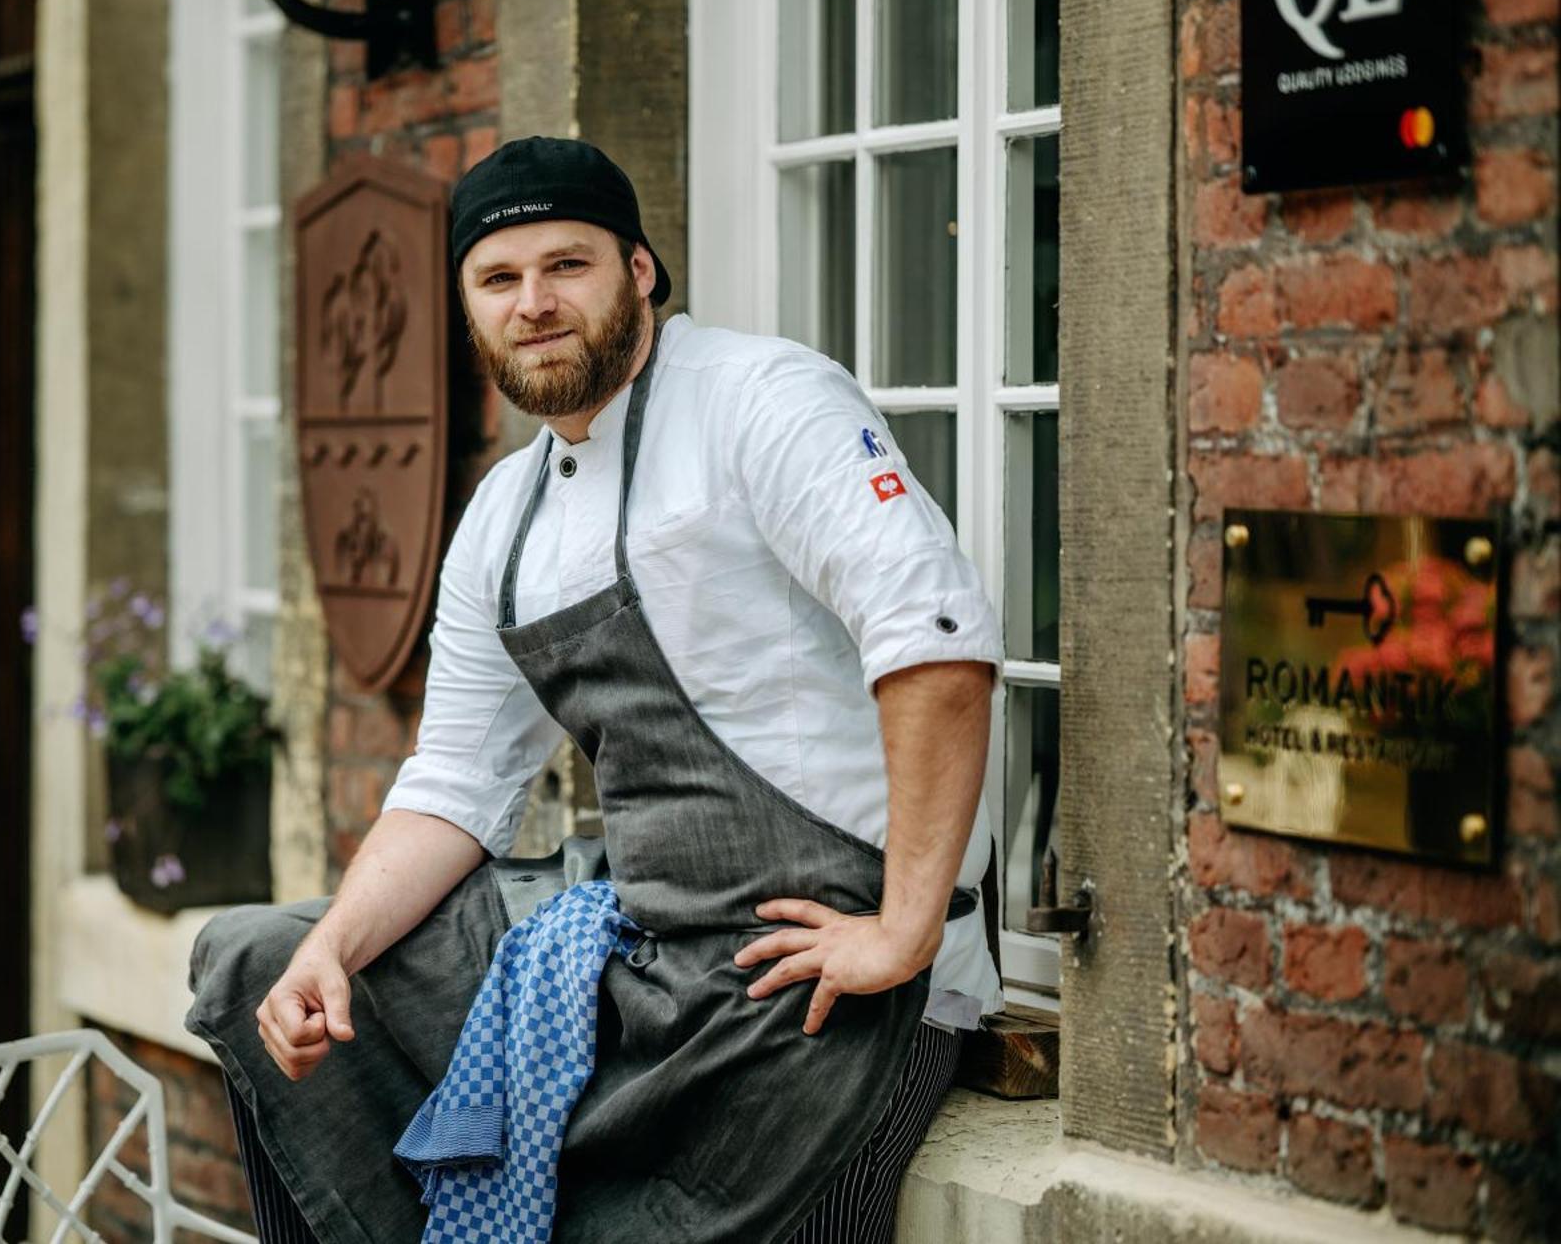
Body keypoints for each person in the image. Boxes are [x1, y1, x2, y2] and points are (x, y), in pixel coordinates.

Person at [187, 136, 1002, 1244]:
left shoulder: (763, 399)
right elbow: (456, 784)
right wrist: (330, 945)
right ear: (467, 306)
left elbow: (937, 645)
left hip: (817, 986)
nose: (534, 304)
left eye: (566, 266)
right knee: (260, 959)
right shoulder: (505, 514)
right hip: (652, 962)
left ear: (639, 270)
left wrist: (902, 930)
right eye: (498, 278)